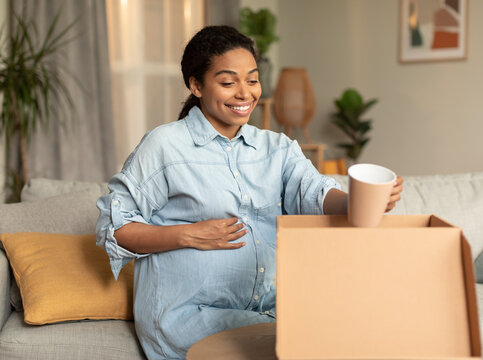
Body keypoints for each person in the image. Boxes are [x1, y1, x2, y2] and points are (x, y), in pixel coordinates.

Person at [96, 25, 403, 360]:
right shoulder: (166, 145)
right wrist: (188, 234)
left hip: (268, 311)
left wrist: (360, 201)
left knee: (365, 330)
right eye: (228, 82)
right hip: (190, 316)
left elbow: (315, 193)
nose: (244, 93)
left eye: (252, 80)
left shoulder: (276, 148)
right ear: (196, 85)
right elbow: (115, 228)